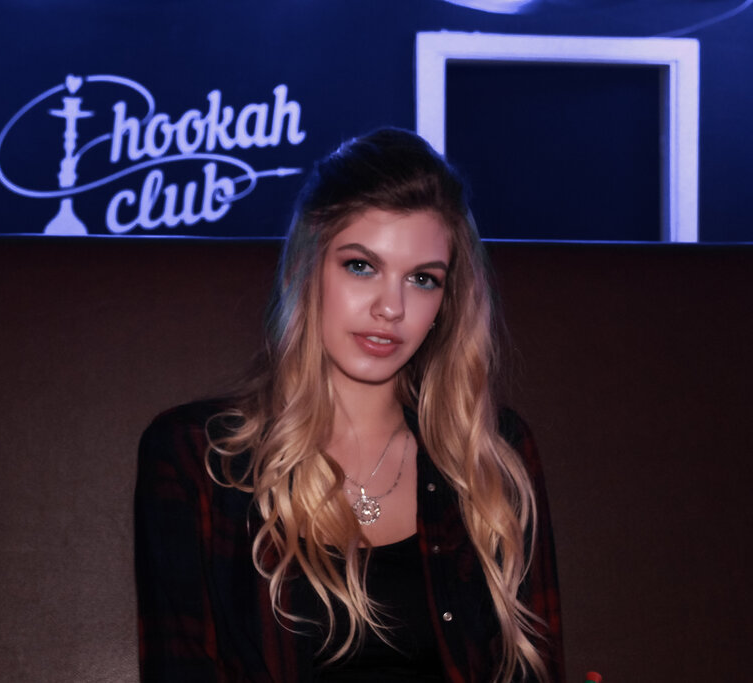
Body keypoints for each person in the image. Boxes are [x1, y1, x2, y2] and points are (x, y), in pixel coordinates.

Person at [134, 128, 564, 682]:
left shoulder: (492, 455)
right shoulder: (198, 457)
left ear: (446, 303)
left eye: (423, 279)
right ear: (305, 268)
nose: (392, 307)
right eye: (362, 266)